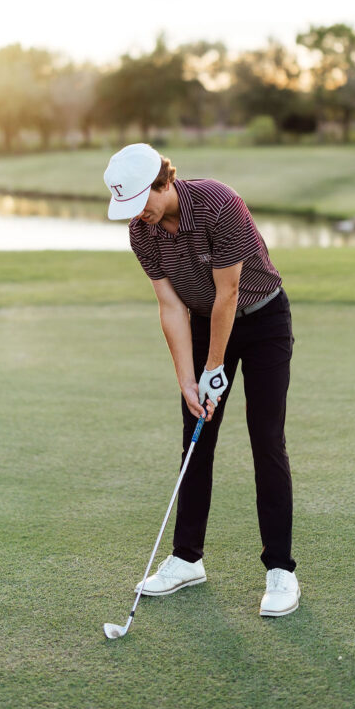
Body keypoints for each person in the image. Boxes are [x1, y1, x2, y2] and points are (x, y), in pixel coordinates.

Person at [104, 142, 299, 617]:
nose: (139, 214)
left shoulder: (219, 204)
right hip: (202, 321)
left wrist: (214, 368)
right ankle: (187, 559)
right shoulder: (142, 233)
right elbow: (170, 306)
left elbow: (228, 292)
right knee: (196, 438)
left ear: (163, 182)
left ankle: (281, 570)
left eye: (142, 200)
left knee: (265, 439)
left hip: (262, 319)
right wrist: (188, 380)